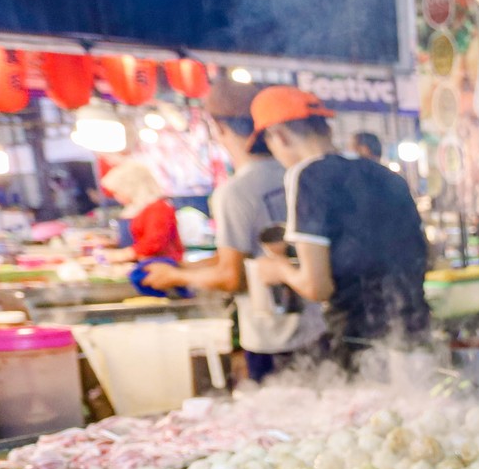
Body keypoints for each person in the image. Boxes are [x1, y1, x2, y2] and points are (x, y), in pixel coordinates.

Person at [141, 78, 326, 380]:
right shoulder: (298, 173)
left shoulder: (235, 191)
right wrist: (183, 266)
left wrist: (175, 277)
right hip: (319, 327)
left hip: (273, 338)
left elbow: (232, 276)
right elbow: (242, 255)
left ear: (219, 128)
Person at [247, 85, 430, 361]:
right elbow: (424, 254)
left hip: (359, 343)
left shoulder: (306, 175)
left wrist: (280, 269)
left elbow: (317, 286)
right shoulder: (385, 175)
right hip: (417, 333)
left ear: (280, 136)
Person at [99, 160, 182, 261]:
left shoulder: (159, 208)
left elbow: (153, 243)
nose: (116, 197)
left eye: (117, 192)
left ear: (131, 187)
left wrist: (123, 254)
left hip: (158, 266)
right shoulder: (134, 208)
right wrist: (112, 244)